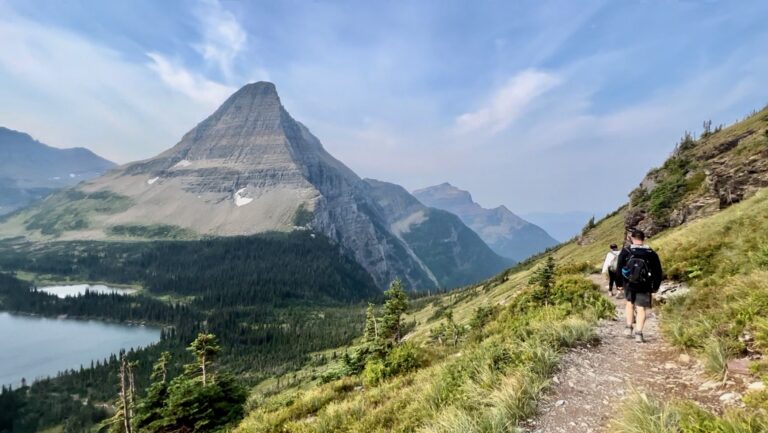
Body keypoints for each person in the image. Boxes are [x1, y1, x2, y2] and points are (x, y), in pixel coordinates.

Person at [615, 228, 662, 343]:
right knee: (641, 308)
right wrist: (655, 286)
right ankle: (639, 334)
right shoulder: (650, 252)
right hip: (644, 284)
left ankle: (628, 327)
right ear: (643, 239)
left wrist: (619, 283)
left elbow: (619, 268)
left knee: (630, 304)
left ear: (632, 238)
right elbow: (658, 271)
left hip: (629, 283)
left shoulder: (626, 251)